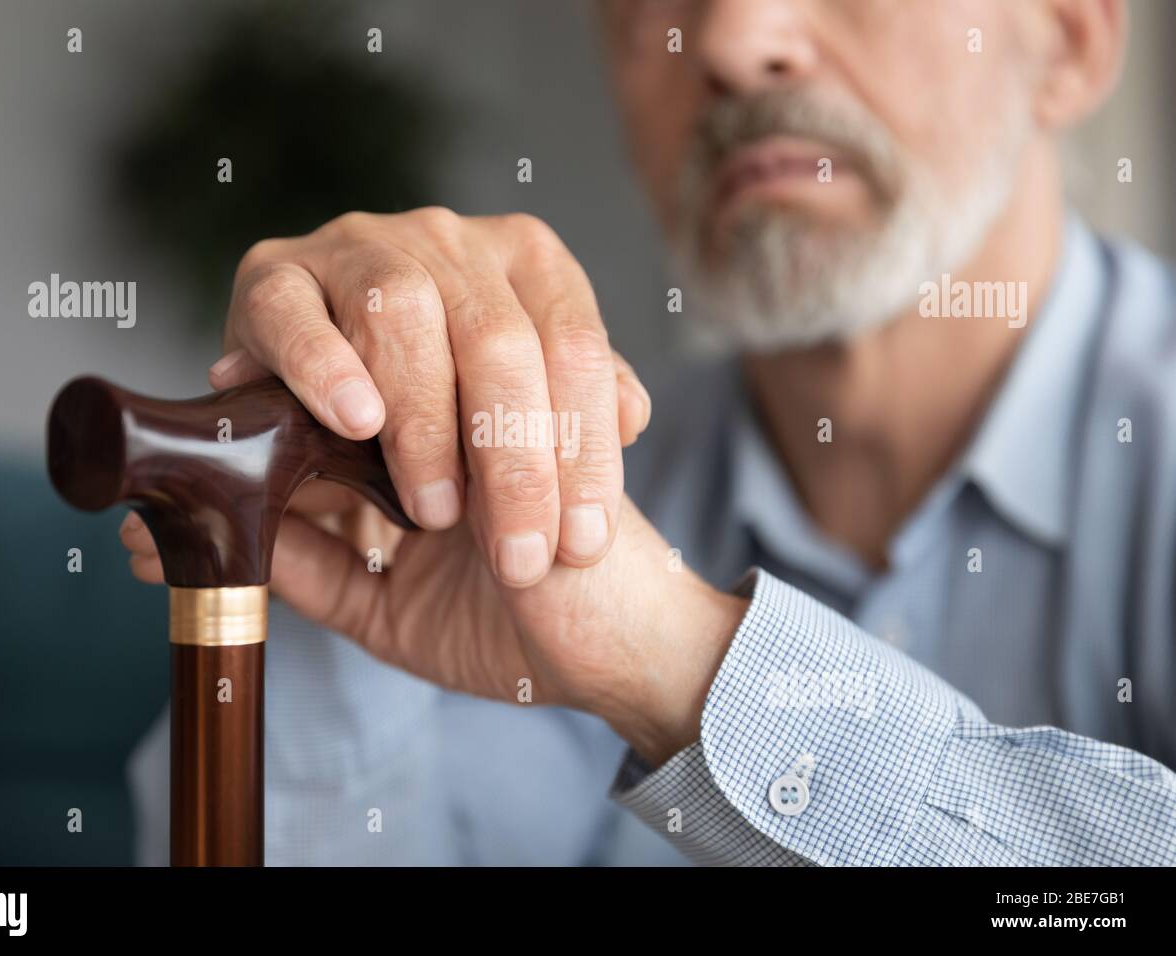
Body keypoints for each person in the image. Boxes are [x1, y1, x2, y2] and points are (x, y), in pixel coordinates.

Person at [120, 0, 1176, 865]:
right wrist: (318, 530)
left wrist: (682, 668)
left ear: (1071, 42)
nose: (723, 36)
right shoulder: (519, 510)